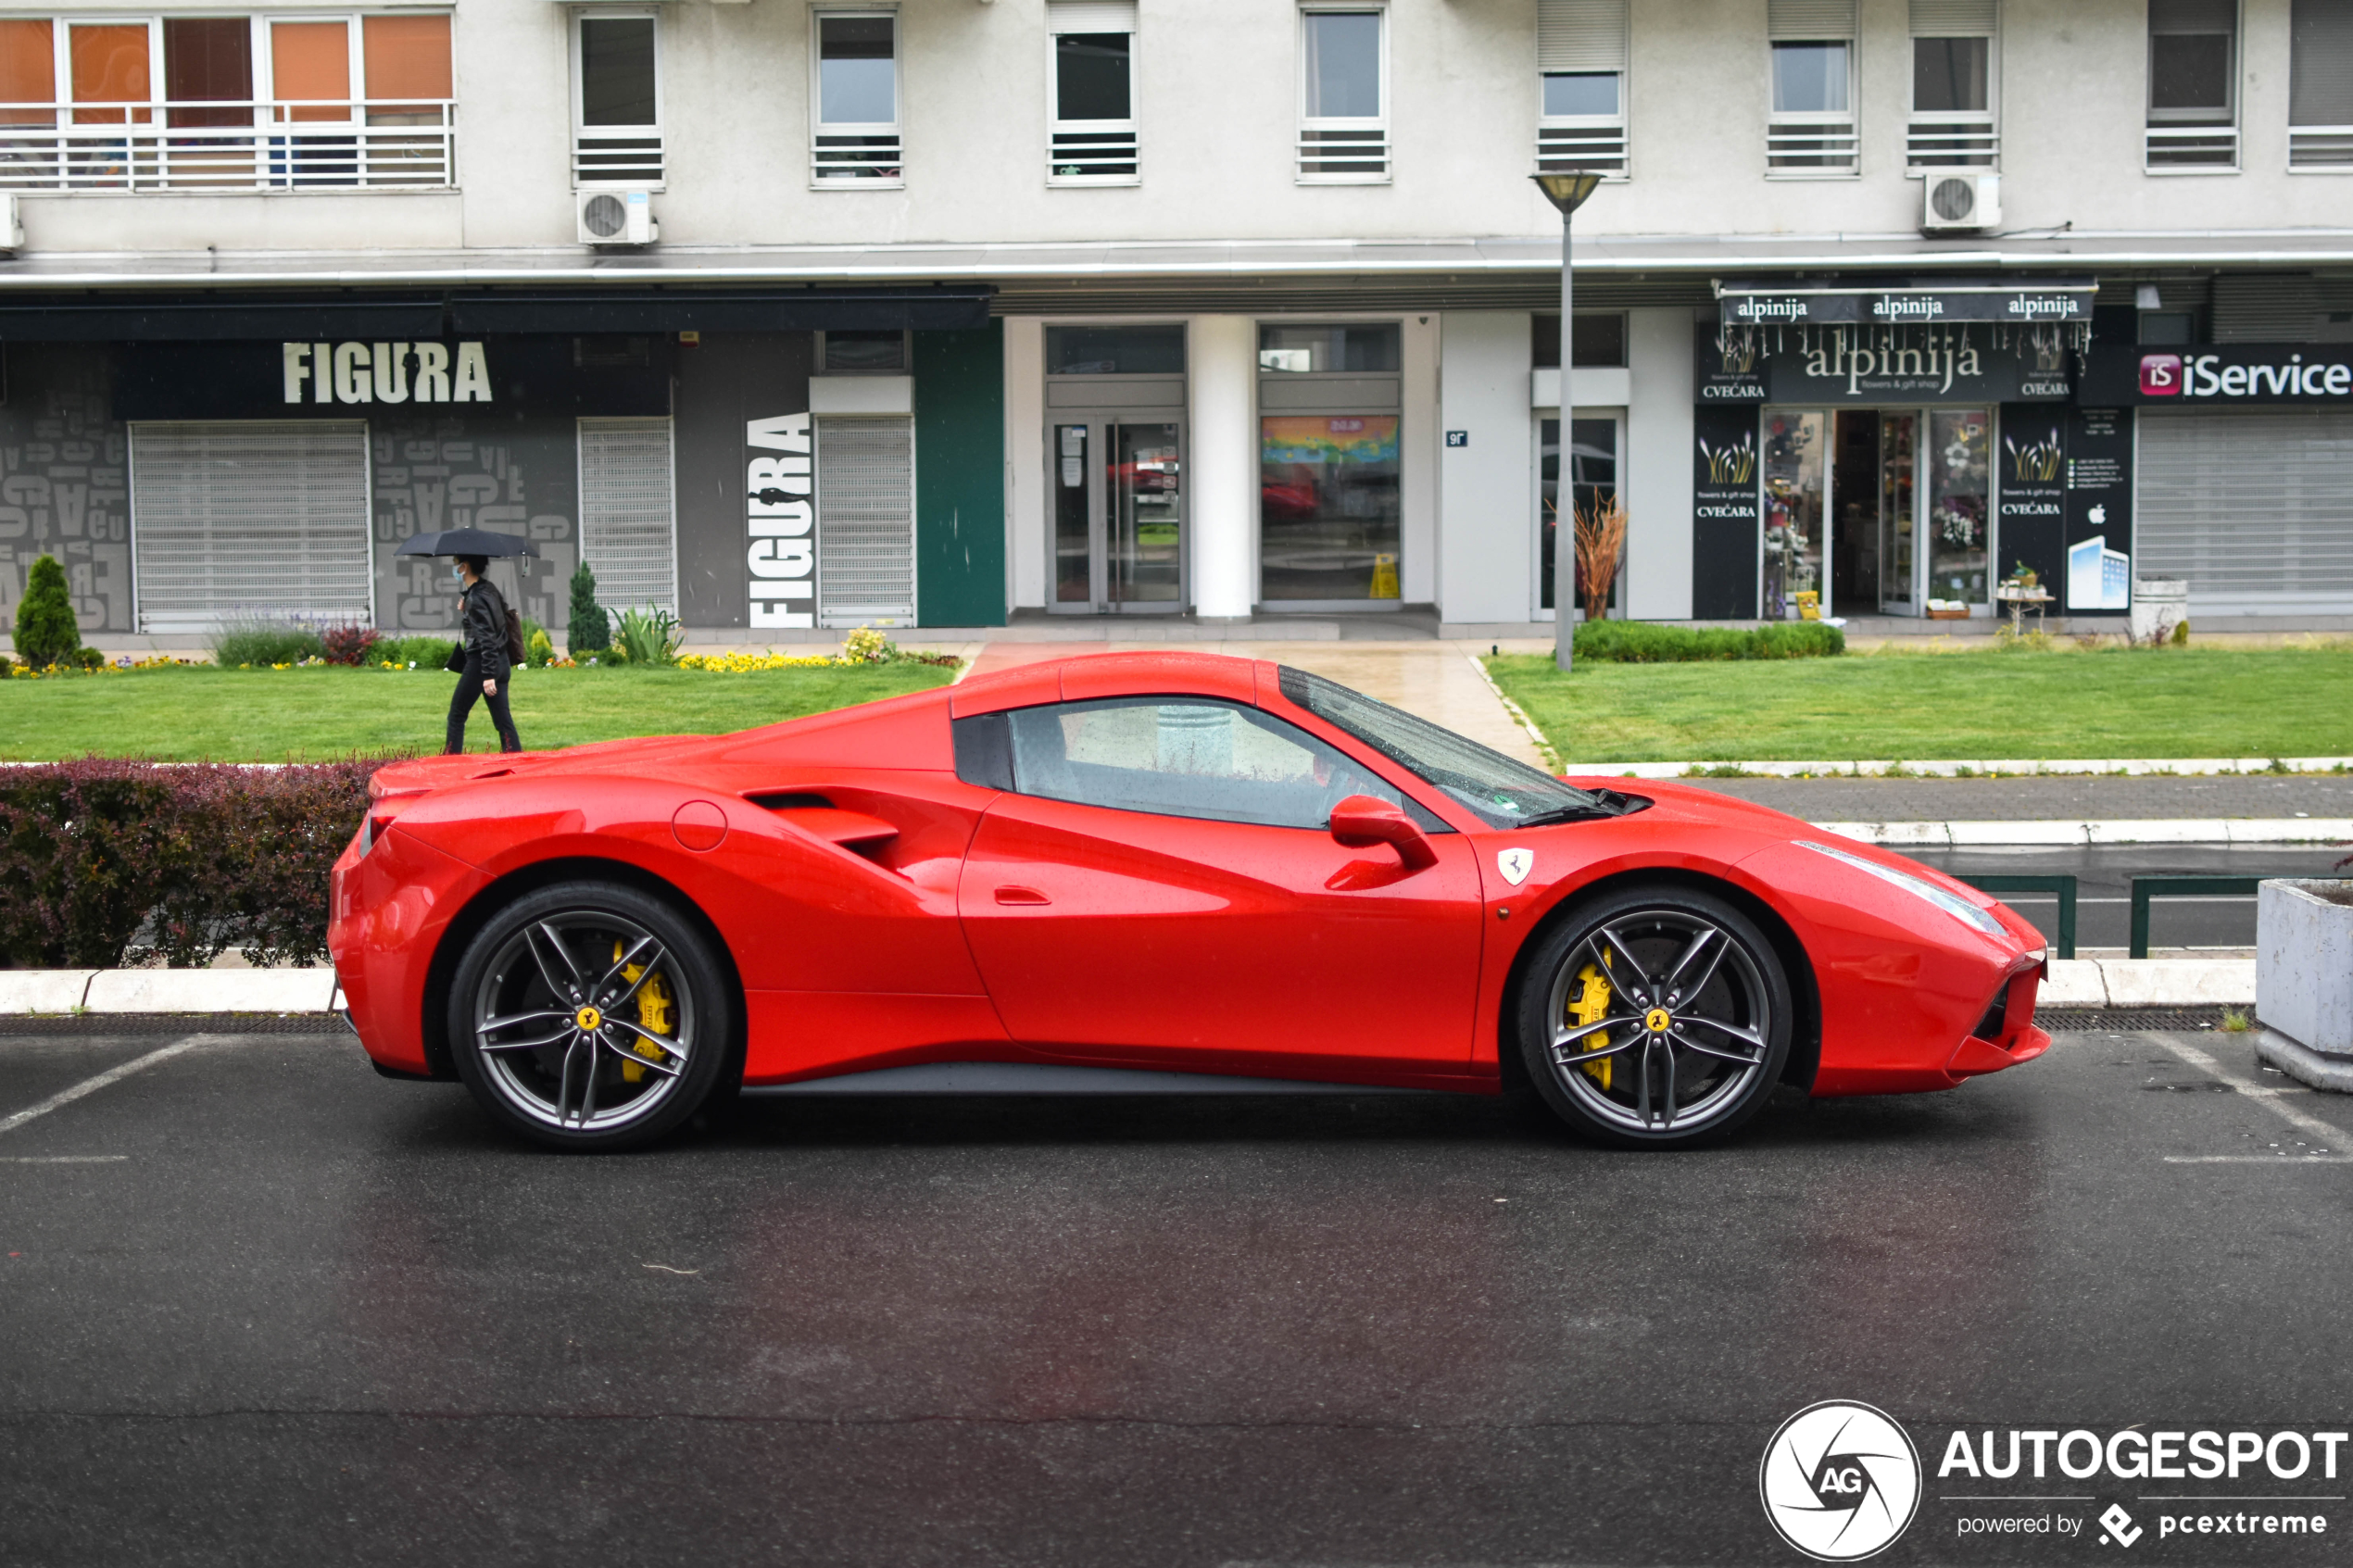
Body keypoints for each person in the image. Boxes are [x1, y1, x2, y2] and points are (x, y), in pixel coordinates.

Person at [445, 555, 522, 754]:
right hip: (502, 661)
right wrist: (467, 610)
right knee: (503, 721)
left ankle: (449, 765)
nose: (455, 568)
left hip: (482, 664)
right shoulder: (489, 589)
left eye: (456, 564)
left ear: (465, 566)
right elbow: (499, 619)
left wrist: (488, 675)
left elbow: (486, 637)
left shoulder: (476, 598)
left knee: (457, 715)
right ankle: (516, 761)